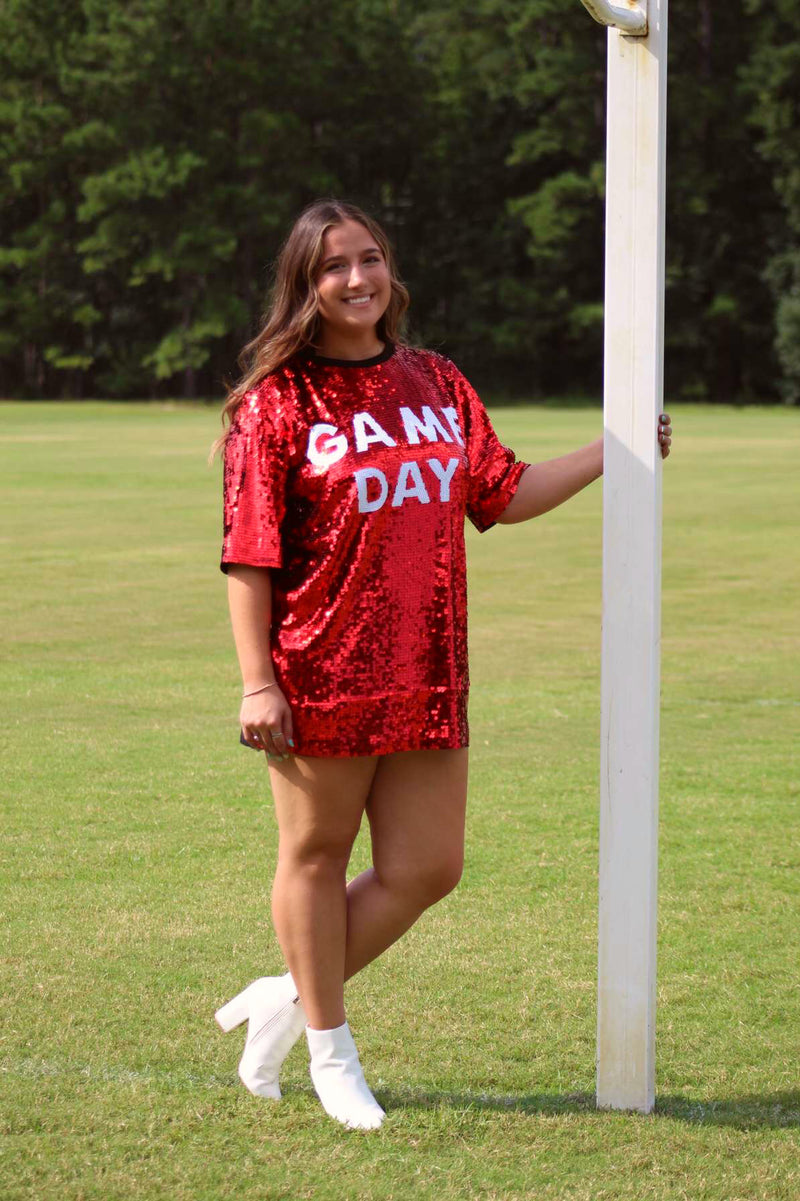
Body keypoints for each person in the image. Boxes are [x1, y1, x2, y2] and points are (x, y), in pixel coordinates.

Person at [213, 198, 672, 1131]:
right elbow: (249, 552)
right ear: (304, 286)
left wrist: (614, 454)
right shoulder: (276, 404)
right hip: (320, 672)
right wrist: (258, 679)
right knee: (313, 855)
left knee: (428, 866)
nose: (356, 278)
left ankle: (288, 995)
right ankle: (331, 1050)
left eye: (370, 258)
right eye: (333, 266)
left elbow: (501, 492)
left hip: (426, 668)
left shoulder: (435, 379)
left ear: (391, 271)